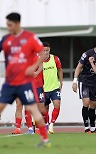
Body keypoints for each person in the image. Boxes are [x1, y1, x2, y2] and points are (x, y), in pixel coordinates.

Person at [0, 12, 50, 147]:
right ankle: (18, 127)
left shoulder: (30, 38)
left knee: (33, 109)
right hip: (10, 82)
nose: (8, 27)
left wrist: (33, 67)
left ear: (17, 23)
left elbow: (42, 54)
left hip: (25, 83)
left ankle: (45, 140)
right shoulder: (6, 39)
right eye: (7, 25)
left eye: (10, 25)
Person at [72, 36, 96, 133]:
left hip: (94, 82)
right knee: (86, 102)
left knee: (93, 105)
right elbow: (79, 67)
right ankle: (86, 127)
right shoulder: (87, 54)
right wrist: (75, 81)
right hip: (84, 80)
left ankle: (93, 127)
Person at [42, 42, 63, 134]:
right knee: (45, 109)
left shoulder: (55, 59)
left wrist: (61, 82)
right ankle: (46, 124)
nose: (46, 52)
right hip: (43, 89)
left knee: (57, 105)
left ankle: (51, 124)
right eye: (44, 50)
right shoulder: (38, 61)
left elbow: (60, 70)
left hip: (55, 87)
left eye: (47, 50)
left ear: (49, 50)